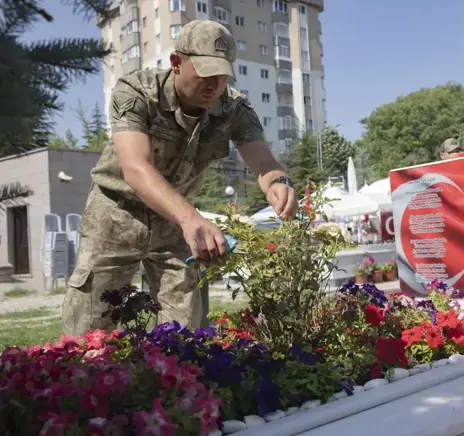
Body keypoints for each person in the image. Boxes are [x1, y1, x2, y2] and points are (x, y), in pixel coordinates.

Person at [62, 20, 298, 336]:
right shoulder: (137, 92)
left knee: (185, 330)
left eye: (222, 75)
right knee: (90, 329)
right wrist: (191, 219)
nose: (214, 85)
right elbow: (136, 168)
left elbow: (263, 160)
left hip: (175, 221)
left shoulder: (234, 107)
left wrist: (278, 182)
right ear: (176, 63)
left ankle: (175, 381)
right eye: (205, 73)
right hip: (117, 213)